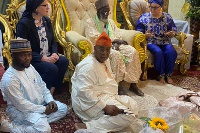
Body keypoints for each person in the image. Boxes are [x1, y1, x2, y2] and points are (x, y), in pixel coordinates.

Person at [71, 32, 138, 132]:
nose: (105, 53)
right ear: (95, 48)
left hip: (105, 94)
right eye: (101, 49)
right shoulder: (88, 67)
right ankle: (86, 126)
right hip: (88, 102)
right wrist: (104, 106)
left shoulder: (104, 59)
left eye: (107, 50)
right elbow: (83, 92)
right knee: (128, 116)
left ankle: (104, 121)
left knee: (133, 105)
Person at [0, 39, 68, 132]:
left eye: (29, 54)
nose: (27, 58)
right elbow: (22, 105)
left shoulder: (29, 67)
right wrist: (44, 109)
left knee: (63, 109)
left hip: (39, 105)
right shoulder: (10, 79)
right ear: (13, 56)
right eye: (22, 55)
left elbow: (42, 86)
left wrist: (50, 100)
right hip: (21, 111)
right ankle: (10, 128)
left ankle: (38, 122)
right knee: (45, 130)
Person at [85, 0, 144, 96]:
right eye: (103, 11)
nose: (106, 14)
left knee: (132, 51)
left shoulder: (111, 22)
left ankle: (133, 84)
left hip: (114, 45)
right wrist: (114, 41)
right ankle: (118, 86)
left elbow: (117, 35)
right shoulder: (91, 22)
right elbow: (94, 37)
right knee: (115, 55)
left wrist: (116, 43)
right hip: (100, 48)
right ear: (98, 11)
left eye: (107, 11)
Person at [16, 0, 69, 95]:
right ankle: (40, 94)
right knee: (52, 68)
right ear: (36, 8)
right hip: (32, 59)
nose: (48, 7)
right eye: (45, 5)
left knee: (64, 61)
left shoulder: (46, 20)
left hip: (48, 56)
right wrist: (43, 58)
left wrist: (54, 53)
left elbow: (52, 41)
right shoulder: (24, 24)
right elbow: (23, 50)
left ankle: (51, 91)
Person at [136, 0, 177, 84]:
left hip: (165, 41)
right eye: (151, 7)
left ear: (160, 7)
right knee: (158, 52)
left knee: (171, 52)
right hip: (151, 42)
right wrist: (145, 35)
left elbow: (174, 29)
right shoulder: (144, 17)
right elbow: (137, 32)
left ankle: (168, 75)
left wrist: (172, 33)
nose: (152, 10)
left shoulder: (167, 17)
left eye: (155, 8)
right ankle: (161, 75)